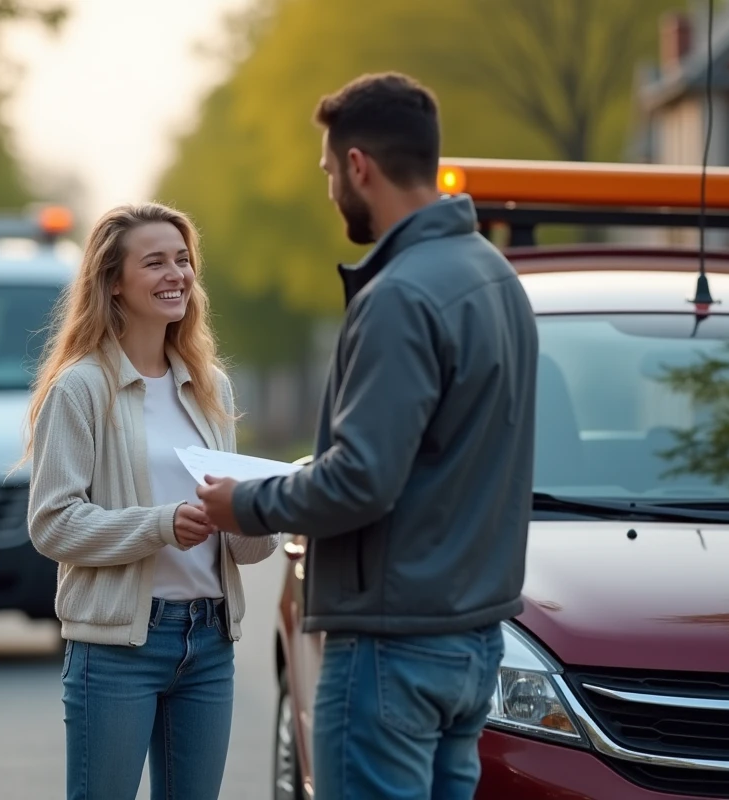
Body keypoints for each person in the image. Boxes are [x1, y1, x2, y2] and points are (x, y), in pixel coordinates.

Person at [195, 72, 539, 800]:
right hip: (473, 639)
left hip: (393, 646)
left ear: (360, 166)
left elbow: (363, 480)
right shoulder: (497, 277)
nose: (329, 189)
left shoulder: (400, 296)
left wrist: (245, 505)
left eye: (328, 171)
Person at [22, 202, 279, 800]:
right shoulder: (81, 387)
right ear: (113, 282)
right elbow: (52, 523)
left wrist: (260, 507)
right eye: (156, 262)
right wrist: (162, 525)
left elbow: (248, 548)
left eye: (184, 261)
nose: (177, 275)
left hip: (211, 641)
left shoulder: (212, 386)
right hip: (117, 649)